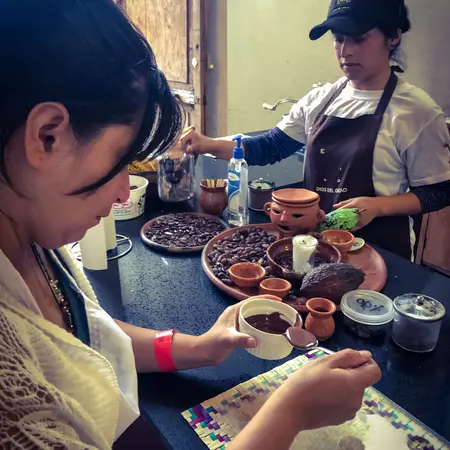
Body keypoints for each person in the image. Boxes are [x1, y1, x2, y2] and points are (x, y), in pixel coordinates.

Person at [0, 1, 381, 449]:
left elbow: (83, 333)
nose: (125, 191)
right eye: (122, 160)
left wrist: (199, 347)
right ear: (47, 135)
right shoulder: (12, 391)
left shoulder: (33, 236)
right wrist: (291, 411)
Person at [181, 0, 450, 260]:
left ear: (393, 37)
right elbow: (270, 147)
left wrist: (378, 207)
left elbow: (439, 191)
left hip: (382, 254)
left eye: (359, 38)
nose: (345, 51)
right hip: (313, 248)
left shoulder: (416, 112)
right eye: (338, 38)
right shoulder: (321, 99)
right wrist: (206, 144)